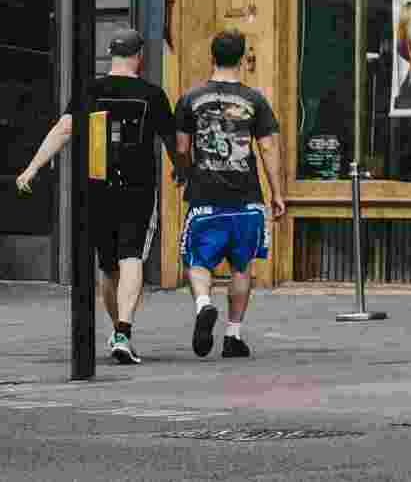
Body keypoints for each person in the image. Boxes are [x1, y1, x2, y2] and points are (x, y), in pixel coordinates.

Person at [13, 31, 176, 364]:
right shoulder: (152, 94)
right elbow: (173, 141)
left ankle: (116, 329)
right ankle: (123, 332)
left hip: (97, 186)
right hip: (138, 187)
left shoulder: (90, 90)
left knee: (107, 264)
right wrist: (185, 171)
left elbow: (63, 129)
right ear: (139, 56)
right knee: (132, 257)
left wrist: (32, 168)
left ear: (109, 54)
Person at [172, 29, 286, 361]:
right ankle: (233, 335)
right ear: (242, 58)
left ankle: (204, 304)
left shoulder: (190, 99)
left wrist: (183, 171)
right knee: (241, 265)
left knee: (197, 260)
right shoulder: (256, 101)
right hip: (246, 199)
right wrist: (277, 193)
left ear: (212, 57)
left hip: (205, 197)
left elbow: (181, 147)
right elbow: (268, 148)